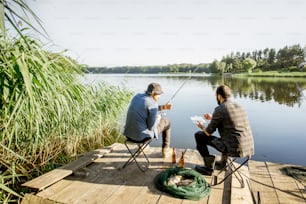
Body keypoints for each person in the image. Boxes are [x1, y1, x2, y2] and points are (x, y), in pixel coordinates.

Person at [194, 85, 254, 175]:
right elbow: (231, 121)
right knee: (229, 136)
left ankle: (208, 168)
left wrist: (202, 126)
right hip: (248, 147)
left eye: (216, 96)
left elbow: (207, 132)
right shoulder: (239, 106)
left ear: (219, 96)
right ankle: (223, 163)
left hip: (234, 149)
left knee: (199, 135)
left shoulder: (220, 109)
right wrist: (213, 118)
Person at [124, 82, 172, 158]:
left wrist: (163, 107)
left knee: (141, 122)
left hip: (128, 135)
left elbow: (146, 108)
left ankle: (142, 147)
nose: (159, 97)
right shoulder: (153, 103)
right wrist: (158, 119)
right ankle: (165, 149)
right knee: (167, 122)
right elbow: (151, 128)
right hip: (140, 138)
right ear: (153, 94)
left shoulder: (137, 97)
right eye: (159, 94)